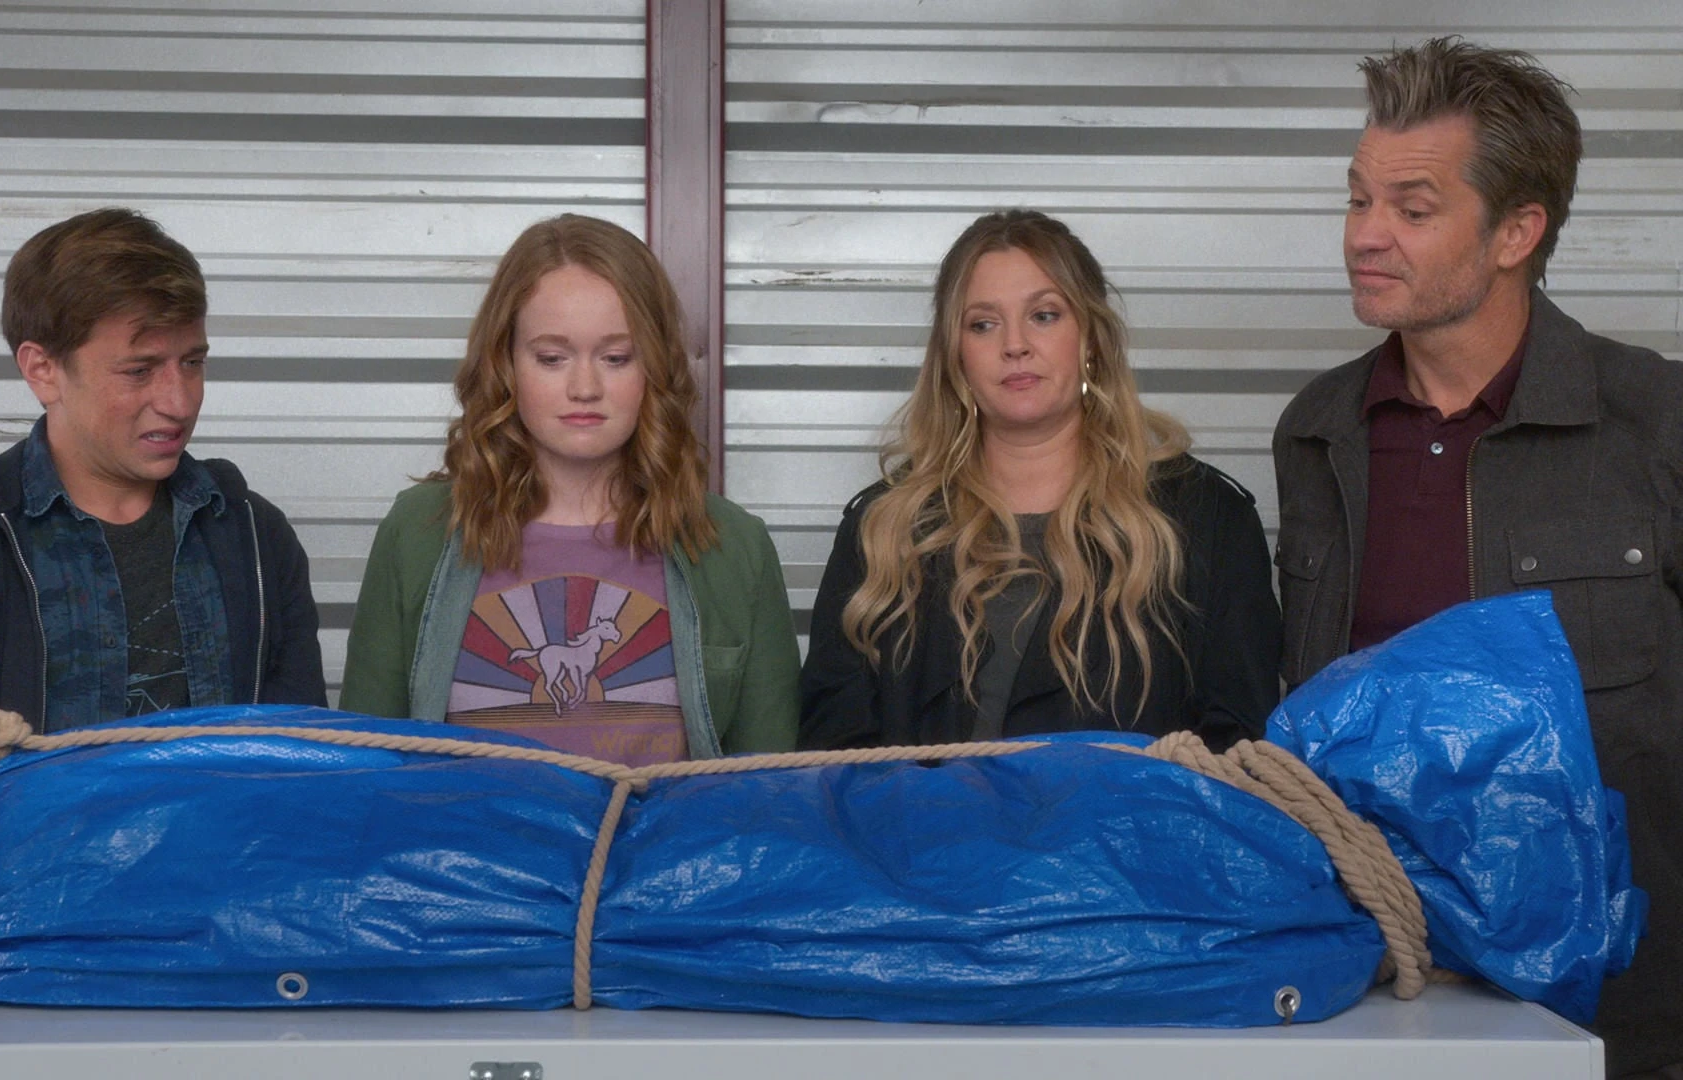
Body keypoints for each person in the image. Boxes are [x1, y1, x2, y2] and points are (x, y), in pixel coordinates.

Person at [1272, 38, 1681, 1079]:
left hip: (1625, 1016)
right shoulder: (1320, 432)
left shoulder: (1654, 423)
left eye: (1412, 209)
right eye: (1357, 199)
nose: (1364, 235)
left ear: (1516, 232)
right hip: (1372, 1001)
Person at [0, 208, 327, 780]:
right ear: (42, 370)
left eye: (192, 362)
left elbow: (301, 765)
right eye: (139, 370)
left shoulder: (255, 537)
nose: (180, 402)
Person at [800, 210, 1280, 751]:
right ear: (954, 354)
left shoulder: (1208, 519)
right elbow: (831, 758)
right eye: (983, 324)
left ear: (1091, 337)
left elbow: (1238, 748)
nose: (1015, 344)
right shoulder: (881, 529)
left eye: (1044, 315)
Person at [340, 214, 797, 763]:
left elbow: (770, 789)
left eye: (616, 358)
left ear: (655, 366)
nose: (585, 387)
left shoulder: (734, 546)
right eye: (552, 358)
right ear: (504, 363)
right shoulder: (419, 532)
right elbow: (365, 773)